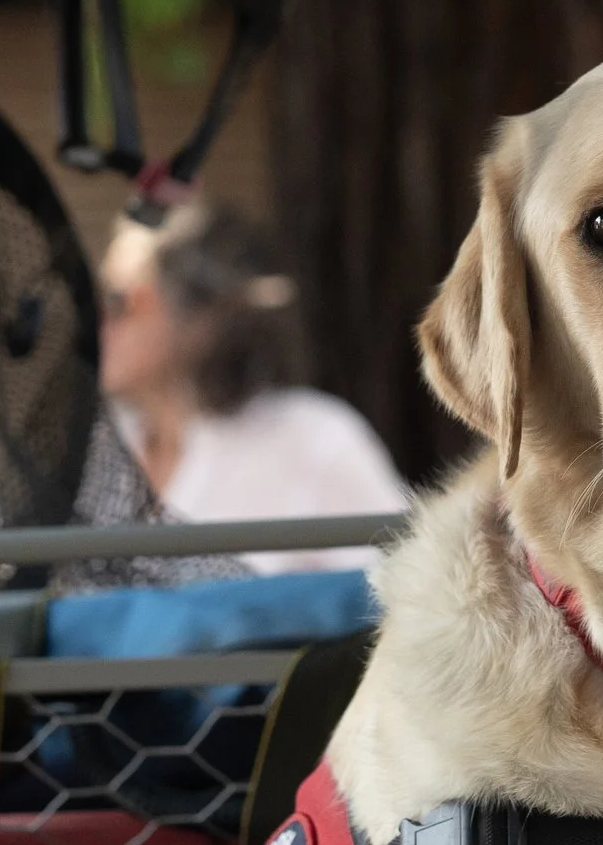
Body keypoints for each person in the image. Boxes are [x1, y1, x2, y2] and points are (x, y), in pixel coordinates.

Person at [98, 201, 407, 574]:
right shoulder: (95, 450)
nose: (102, 322)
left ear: (201, 314)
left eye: (121, 302)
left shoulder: (311, 439)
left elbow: (410, 589)